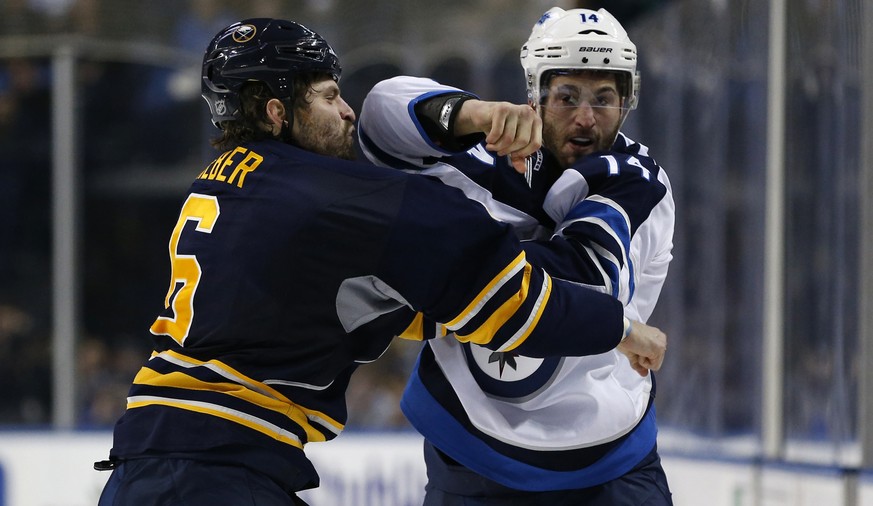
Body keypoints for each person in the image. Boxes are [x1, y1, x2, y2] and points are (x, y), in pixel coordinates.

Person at [94, 17, 667, 506]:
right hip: (216, 475)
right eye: (326, 96)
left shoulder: (224, 180)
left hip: (149, 459)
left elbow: (372, 304)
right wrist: (620, 327)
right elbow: (518, 310)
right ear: (276, 110)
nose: (347, 111)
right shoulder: (348, 200)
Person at [358, 7, 675, 505]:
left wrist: (435, 277)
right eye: (567, 96)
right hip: (468, 448)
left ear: (627, 102)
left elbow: (577, 291)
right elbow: (379, 114)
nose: (586, 118)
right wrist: (472, 114)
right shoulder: (485, 149)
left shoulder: (639, 183)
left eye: (605, 99)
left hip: (604, 459)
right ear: (536, 93)